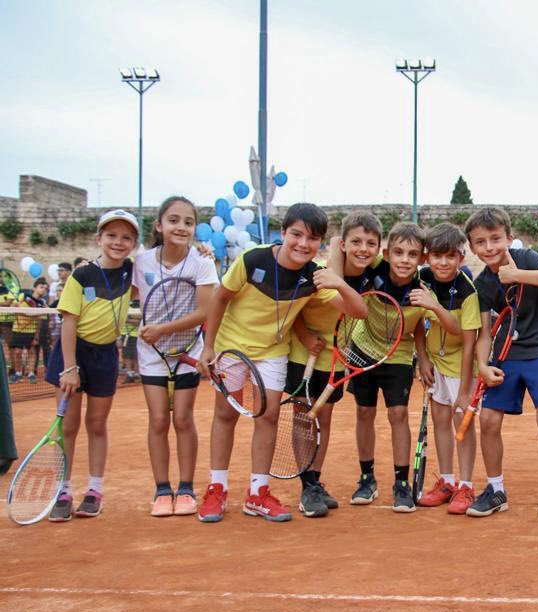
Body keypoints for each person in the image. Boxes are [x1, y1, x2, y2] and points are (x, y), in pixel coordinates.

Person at [197, 203, 365, 523]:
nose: (303, 244)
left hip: (273, 351)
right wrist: (208, 346)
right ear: (283, 233)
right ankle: (216, 488)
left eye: (312, 238)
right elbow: (219, 298)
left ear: (320, 242)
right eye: (296, 234)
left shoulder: (313, 276)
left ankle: (257, 493)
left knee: (269, 417)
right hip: (231, 346)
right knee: (225, 414)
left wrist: (339, 282)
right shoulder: (253, 259)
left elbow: (359, 311)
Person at [463, 208, 538, 526]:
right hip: (505, 355)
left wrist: (516, 276)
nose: (489, 247)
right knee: (489, 420)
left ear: (508, 238)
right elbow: (484, 333)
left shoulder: (526, 258)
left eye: (495, 238)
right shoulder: (482, 283)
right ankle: (496, 491)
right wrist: (482, 366)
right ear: (472, 248)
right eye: (480, 242)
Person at [287, 210, 383, 517]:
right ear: (343, 244)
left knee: (323, 419)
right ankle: (306, 487)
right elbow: (297, 310)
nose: (363, 248)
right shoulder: (319, 274)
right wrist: (303, 335)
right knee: (304, 418)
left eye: (370, 243)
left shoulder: (371, 268)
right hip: (304, 353)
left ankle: (314, 481)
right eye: (355, 241)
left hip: (334, 355)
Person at [45, 209, 139, 521]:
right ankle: (63, 489)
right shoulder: (81, 275)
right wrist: (69, 368)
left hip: (105, 357)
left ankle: (94, 490)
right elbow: (68, 322)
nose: (118, 242)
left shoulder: (130, 273)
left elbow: (166, 266)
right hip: (72, 354)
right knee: (68, 426)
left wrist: (203, 252)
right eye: (111, 235)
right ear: (98, 238)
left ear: (134, 243)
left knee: (97, 424)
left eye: (126, 237)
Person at [133, 196, 218, 517]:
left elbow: (203, 312)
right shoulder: (141, 262)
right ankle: (161, 489)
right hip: (151, 354)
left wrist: (162, 329)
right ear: (159, 225)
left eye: (188, 222)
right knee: (157, 419)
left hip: (187, 351)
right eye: (173, 220)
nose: (181, 226)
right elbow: (118, 284)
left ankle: (185, 488)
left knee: (183, 419)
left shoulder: (202, 263)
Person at [347, 222, 430, 513]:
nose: (404, 259)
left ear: (421, 259)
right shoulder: (373, 268)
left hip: (398, 353)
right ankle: (367, 478)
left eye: (412, 254)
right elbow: (339, 251)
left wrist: (424, 356)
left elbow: (418, 322)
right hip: (363, 348)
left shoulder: (422, 287)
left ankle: (401, 483)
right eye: (398, 252)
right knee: (364, 412)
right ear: (386, 253)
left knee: (398, 414)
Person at [414, 222, 482, 514]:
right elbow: (416, 320)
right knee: (440, 420)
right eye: (437, 256)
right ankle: (447, 481)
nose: (443, 263)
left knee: (461, 426)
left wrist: (466, 390)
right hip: (434, 363)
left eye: (450, 257)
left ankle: (466, 486)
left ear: (461, 259)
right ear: (427, 256)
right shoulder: (421, 278)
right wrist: (423, 358)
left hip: (461, 366)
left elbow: (466, 340)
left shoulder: (467, 290)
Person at [9, 278, 48, 383]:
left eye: (45, 289)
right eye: (41, 287)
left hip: (32, 330)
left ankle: (31, 374)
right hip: (18, 329)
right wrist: (16, 306)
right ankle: (18, 373)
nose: (43, 290)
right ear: (34, 288)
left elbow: (40, 320)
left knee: (31, 351)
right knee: (17, 352)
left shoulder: (42, 303)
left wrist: (37, 334)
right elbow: (12, 306)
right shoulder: (23, 296)